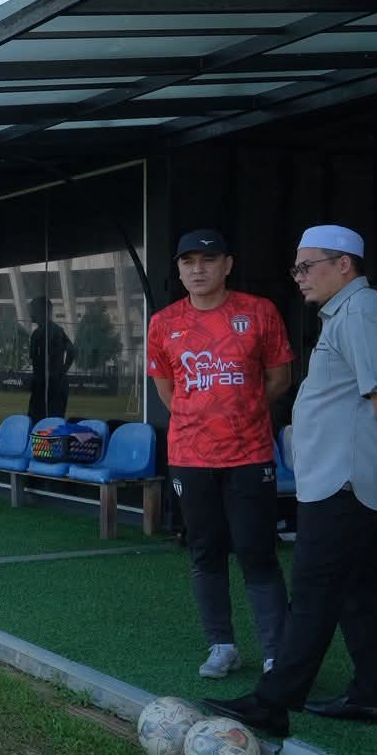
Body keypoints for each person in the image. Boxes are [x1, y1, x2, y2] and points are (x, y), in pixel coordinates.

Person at [205, 226, 377, 736]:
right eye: (296, 267)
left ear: (344, 264)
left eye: (307, 266)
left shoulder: (359, 315)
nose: (298, 276)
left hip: (345, 481)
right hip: (344, 477)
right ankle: (373, 696)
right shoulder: (353, 313)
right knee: (363, 591)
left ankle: (272, 703)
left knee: (315, 590)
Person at [146, 229, 294, 680]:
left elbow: (279, 378)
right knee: (205, 551)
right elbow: (168, 391)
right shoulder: (163, 323)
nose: (198, 269)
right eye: (188, 261)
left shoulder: (259, 312)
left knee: (257, 552)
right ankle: (222, 646)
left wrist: (239, 412)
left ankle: (276, 654)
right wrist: (202, 418)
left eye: (208, 260)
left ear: (227, 265)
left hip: (249, 455)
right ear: (178, 270)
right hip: (190, 457)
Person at [27, 297, 75, 421]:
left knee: (37, 423)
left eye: (32, 310)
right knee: (54, 424)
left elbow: (35, 362)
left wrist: (37, 379)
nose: (30, 314)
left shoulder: (37, 334)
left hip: (45, 386)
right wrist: (62, 371)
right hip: (58, 385)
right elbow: (71, 351)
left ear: (41, 311)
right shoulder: (58, 331)